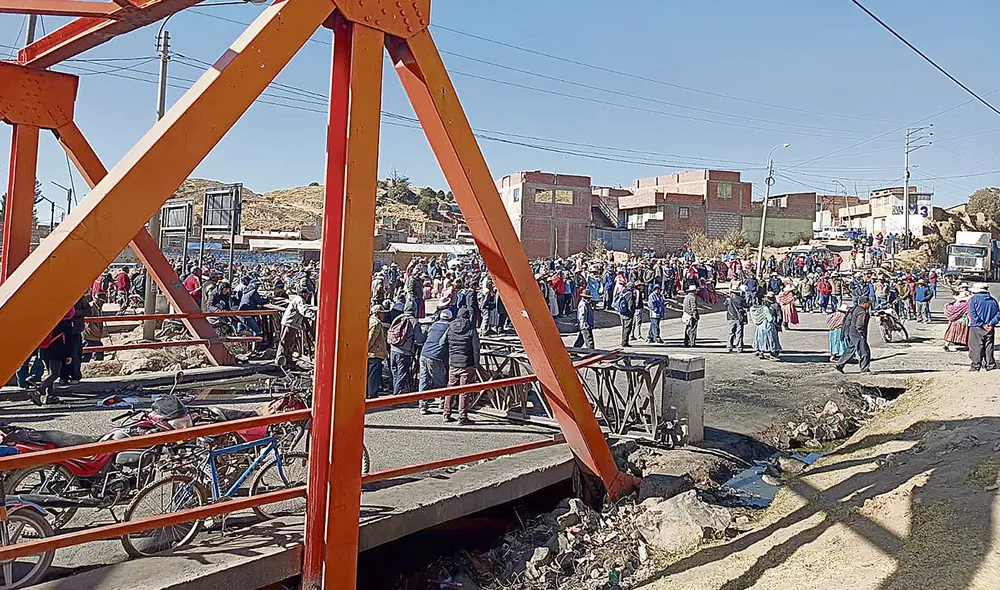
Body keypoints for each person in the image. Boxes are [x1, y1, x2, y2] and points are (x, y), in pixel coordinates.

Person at [444, 307, 479, 425]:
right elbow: (476, 348)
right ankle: (462, 416)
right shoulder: (471, 328)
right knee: (464, 391)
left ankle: (446, 413)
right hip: (466, 363)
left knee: (451, 388)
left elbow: (442, 342)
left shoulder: (450, 327)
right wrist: (476, 364)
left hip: (453, 363)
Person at [33, 309, 74, 405]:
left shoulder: (50, 320)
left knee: (50, 373)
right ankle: (38, 391)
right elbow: (68, 341)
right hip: (56, 351)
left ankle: (49, 396)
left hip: (44, 349)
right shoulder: (66, 323)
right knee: (55, 374)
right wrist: (69, 355)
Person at [386, 300, 424, 395]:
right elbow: (420, 339)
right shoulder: (414, 322)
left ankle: (395, 392)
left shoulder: (398, 318)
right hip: (404, 352)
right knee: (402, 375)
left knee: (395, 374)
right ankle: (396, 396)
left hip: (393, 349)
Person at [417, 309, 452, 414]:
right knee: (440, 381)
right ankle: (442, 403)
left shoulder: (433, 325)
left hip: (424, 354)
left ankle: (422, 405)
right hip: (436, 356)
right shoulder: (449, 327)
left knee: (423, 380)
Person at [276, 286, 314, 368]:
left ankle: (287, 361)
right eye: (307, 294)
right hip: (290, 323)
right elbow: (303, 310)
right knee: (285, 342)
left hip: (290, 323)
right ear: (304, 294)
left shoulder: (297, 299)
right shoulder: (299, 300)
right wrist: (313, 315)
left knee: (289, 343)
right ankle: (281, 362)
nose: (308, 296)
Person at [836, 296, 872, 374]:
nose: (869, 305)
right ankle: (864, 368)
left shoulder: (856, 309)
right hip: (858, 334)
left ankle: (840, 364)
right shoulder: (862, 312)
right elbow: (860, 324)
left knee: (850, 350)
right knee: (864, 351)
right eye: (868, 303)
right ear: (864, 303)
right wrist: (861, 334)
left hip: (852, 332)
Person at [967, 283, 999, 372]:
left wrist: (982, 324)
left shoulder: (973, 300)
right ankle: (990, 365)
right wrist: (991, 324)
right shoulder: (993, 300)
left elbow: (972, 314)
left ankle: (976, 365)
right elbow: (998, 314)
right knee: (989, 346)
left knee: (976, 346)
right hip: (990, 328)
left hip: (977, 327)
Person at [367, 303, 389, 399]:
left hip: (373, 353)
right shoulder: (375, 323)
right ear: (377, 313)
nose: (383, 315)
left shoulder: (371, 321)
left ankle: (371, 392)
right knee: (373, 376)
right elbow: (370, 338)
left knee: (372, 374)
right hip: (374, 353)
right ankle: (372, 393)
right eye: (382, 313)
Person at [750, 294, 780, 360]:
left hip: (760, 326)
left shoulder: (760, 309)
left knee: (761, 339)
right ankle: (772, 354)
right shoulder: (766, 309)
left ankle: (761, 352)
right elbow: (770, 319)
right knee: (770, 340)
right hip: (767, 326)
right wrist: (775, 320)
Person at [725, 286, 748, 353]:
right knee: (739, 333)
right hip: (739, 318)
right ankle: (739, 347)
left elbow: (725, 305)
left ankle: (729, 347)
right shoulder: (741, 299)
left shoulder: (728, 300)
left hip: (730, 318)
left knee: (730, 333)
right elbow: (745, 306)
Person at [614, 282, 636, 347]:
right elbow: (630, 304)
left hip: (622, 312)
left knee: (624, 327)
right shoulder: (629, 294)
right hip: (628, 313)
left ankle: (624, 341)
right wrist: (631, 312)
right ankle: (624, 342)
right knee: (627, 328)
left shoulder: (623, 292)